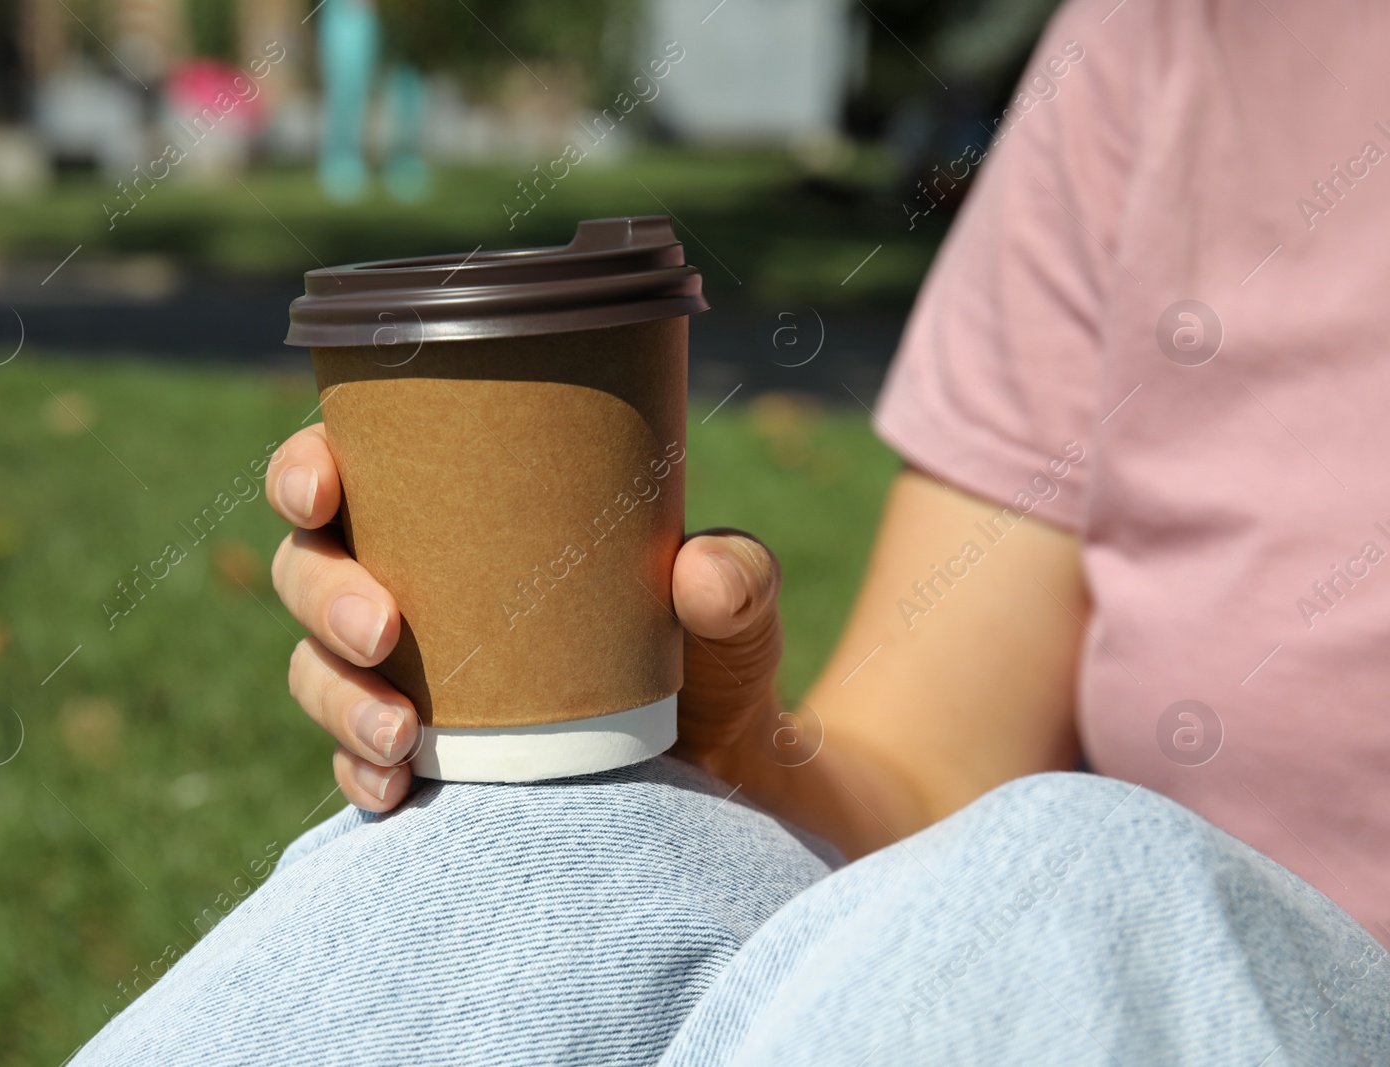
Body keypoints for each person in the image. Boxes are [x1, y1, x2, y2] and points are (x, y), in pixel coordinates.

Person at [75, 0, 1390, 1061]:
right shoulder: (1170, 41)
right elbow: (933, 797)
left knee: (1093, 881)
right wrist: (730, 745)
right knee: (527, 835)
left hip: (1153, 962)